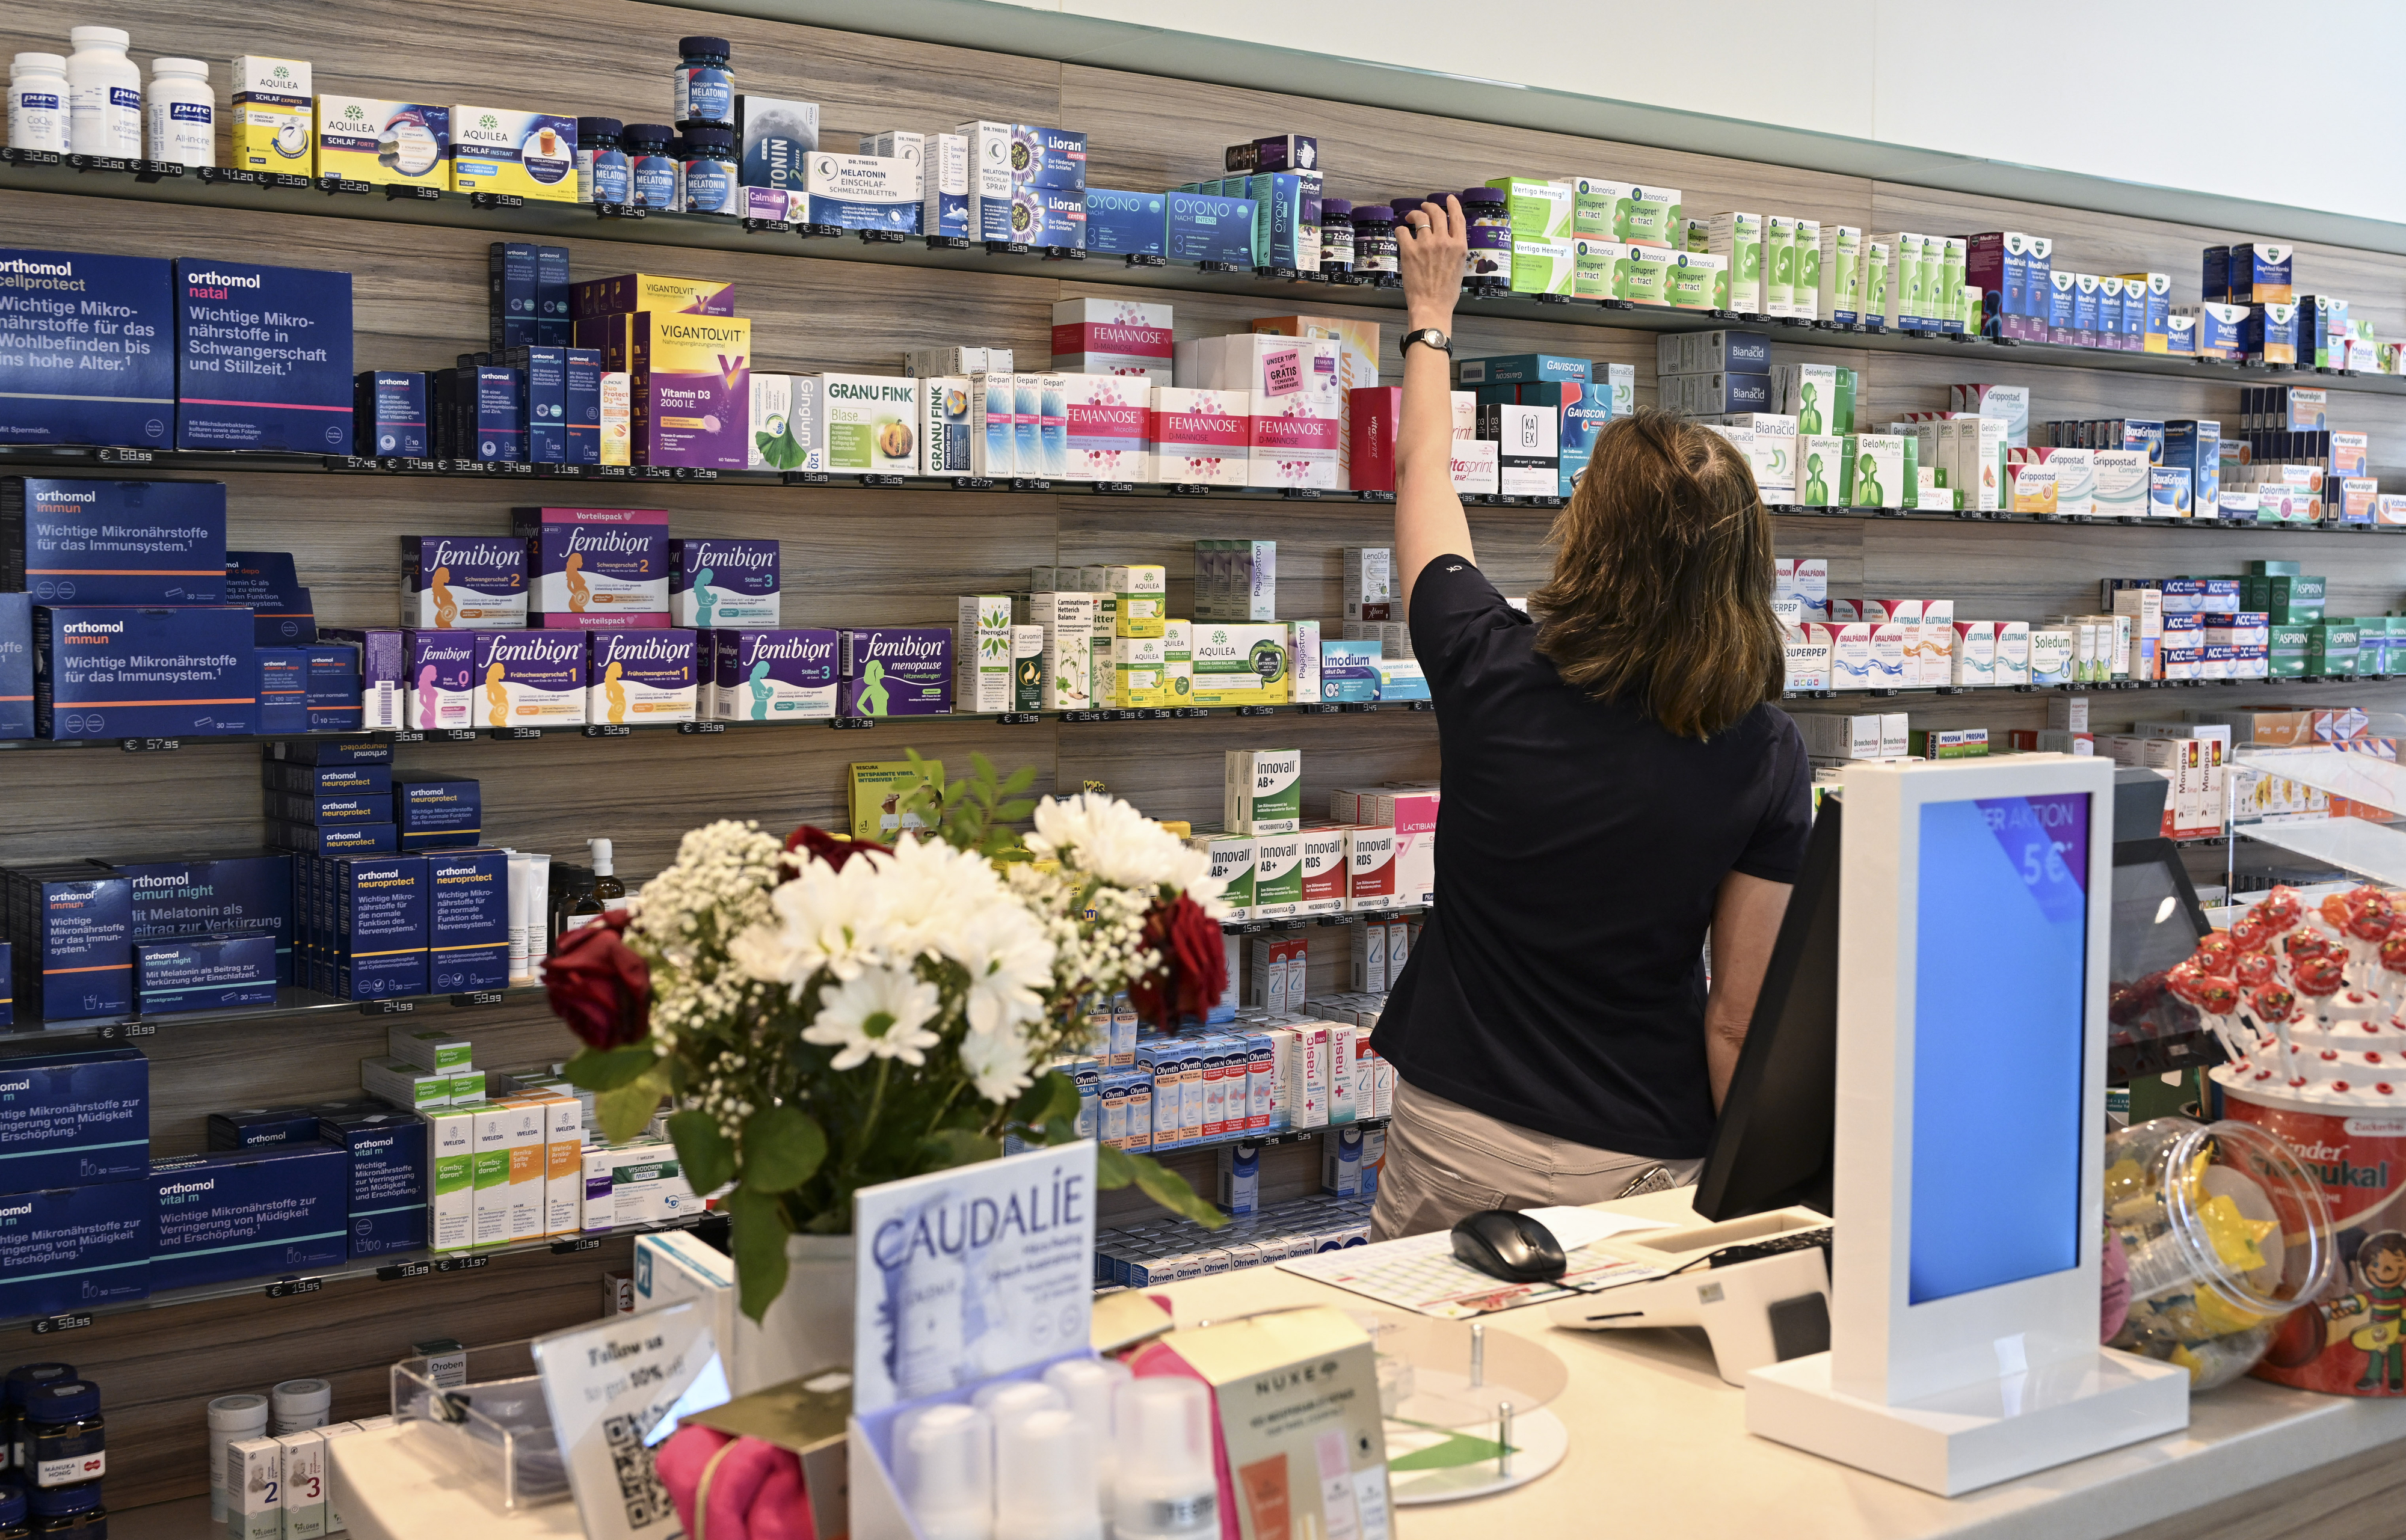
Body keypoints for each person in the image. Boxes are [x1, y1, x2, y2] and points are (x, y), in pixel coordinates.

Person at [1367, 195, 1813, 1240]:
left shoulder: (1489, 666)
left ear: (1585, 538)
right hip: (1641, 1159)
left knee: (1424, 1381)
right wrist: (1752, 1207)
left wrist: (1432, 317)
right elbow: (1737, 1015)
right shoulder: (1761, 750)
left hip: (1456, 1139)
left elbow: (1420, 473)